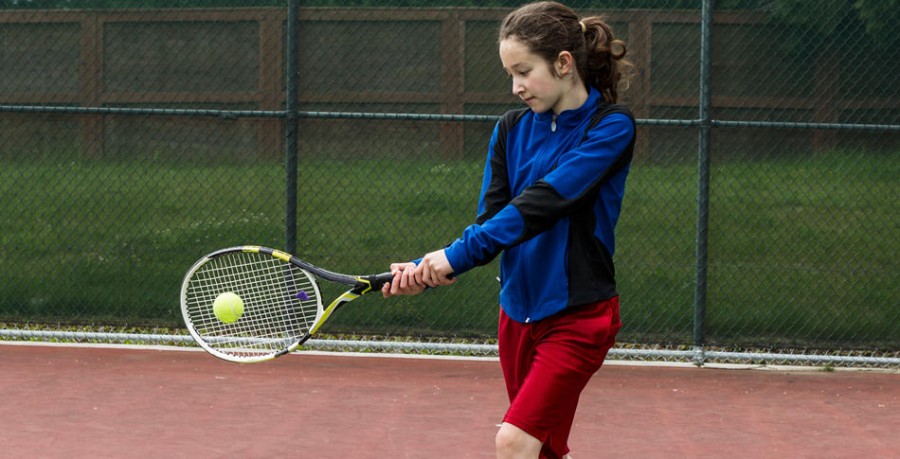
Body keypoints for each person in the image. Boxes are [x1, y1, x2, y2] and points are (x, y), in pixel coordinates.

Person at [383, 2, 636, 458]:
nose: (515, 87)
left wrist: (454, 255)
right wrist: (429, 267)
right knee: (542, 449)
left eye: (523, 71)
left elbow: (543, 203)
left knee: (514, 441)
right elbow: (491, 219)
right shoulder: (510, 129)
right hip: (516, 315)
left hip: (578, 317)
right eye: (510, 74)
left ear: (563, 63)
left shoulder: (612, 128)